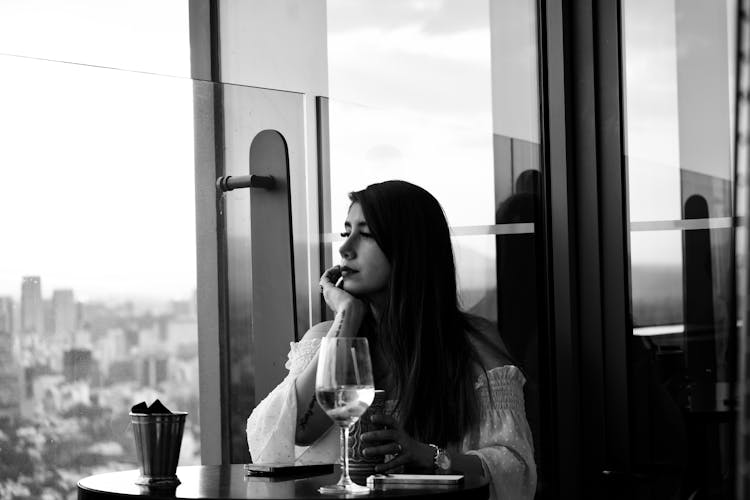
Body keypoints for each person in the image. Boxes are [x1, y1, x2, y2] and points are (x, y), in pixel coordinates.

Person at [246, 180, 536, 500]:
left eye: (365, 234)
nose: (345, 248)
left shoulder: (471, 345)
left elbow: (515, 467)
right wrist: (347, 315)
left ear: (408, 248)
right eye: (346, 232)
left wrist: (428, 455)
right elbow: (289, 433)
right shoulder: (328, 338)